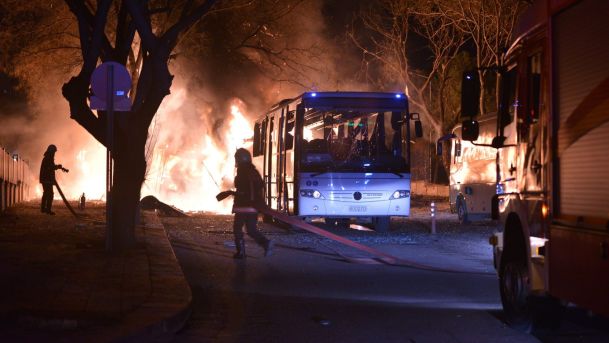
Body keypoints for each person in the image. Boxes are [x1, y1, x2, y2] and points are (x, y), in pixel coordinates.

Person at [230, 148, 274, 259]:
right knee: (251, 229)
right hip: (254, 206)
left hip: (243, 206)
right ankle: (266, 243)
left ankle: (241, 252)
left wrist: (235, 193)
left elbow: (241, 188)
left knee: (237, 228)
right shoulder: (254, 171)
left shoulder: (242, 171)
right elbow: (260, 187)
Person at [39, 144, 68, 215]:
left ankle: (43, 209)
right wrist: (57, 166)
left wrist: (58, 167)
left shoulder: (48, 157)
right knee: (50, 194)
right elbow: (50, 167)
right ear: (51, 151)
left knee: (46, 193)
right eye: (54, 152)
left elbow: (50, 167)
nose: (54, 153)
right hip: (47, 179)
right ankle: (47, 210)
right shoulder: (48, 158)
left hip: (46, 178)